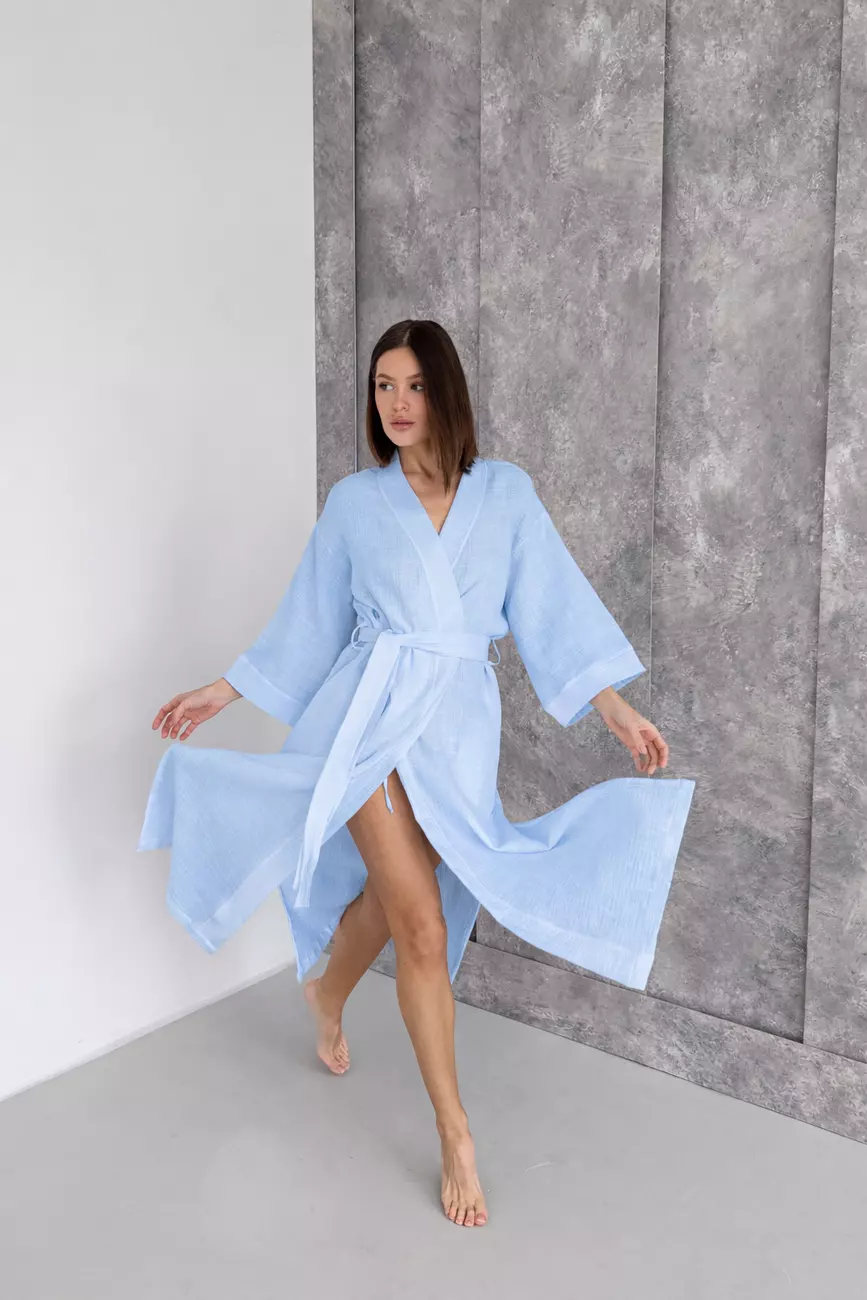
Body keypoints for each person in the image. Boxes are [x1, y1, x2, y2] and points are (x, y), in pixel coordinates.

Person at [138, 318, 696, 1229]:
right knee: (424, 929)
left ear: (445, 392)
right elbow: (309, 622)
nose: (396, 403)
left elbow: (553, 607)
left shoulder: (506, 494)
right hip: (366, 718)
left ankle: (326, 989)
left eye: (414, 386)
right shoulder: (356, 504)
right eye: (382, 386)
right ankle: (454, 1133)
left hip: (458, 731)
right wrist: (223, 690)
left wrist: (615, 707)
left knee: (398, 900)